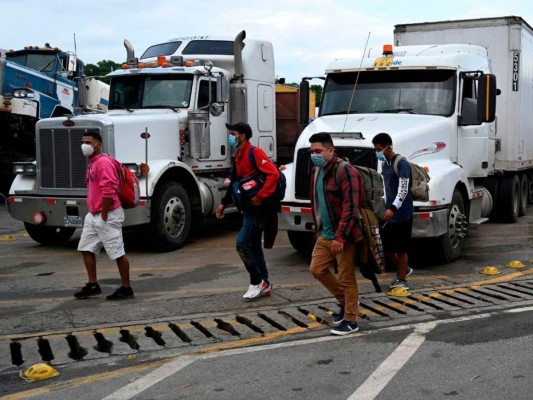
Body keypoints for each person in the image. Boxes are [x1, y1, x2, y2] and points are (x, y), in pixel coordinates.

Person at [308, 132, 365, 335]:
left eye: (319, 151)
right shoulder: (317, 171)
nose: (314, 155)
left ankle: (351, 320)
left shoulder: (345, 171)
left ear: (331, 151)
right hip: (325, 233)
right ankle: (346, 301)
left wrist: (340, 237)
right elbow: (317, 203)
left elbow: (351, 207)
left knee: (346, 277)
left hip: (345, 234)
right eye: (312, 151)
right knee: (317, 269)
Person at [216, 122, 280, 299]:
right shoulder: (238, 155)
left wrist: (260, 196)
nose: (231, 136)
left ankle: (256, 281)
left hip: (259, 207)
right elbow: (235, 180)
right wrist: (224, 203)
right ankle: (264, 283)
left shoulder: (255, 152)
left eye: (233, 133)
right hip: (248, 206)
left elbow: (273, 174)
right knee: (252, 244)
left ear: (242, 136)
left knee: (242, 243)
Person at [74, 132, 134, 300]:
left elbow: (109, 190)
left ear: (98, 145)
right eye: (82, 141)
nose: (84, 145)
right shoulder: (93, 162)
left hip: (107, 214)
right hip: (93, 214)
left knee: (117, 252)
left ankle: (126, 288)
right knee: (86, 248)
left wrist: (104, 214)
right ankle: (93, 285)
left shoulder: (103, 162)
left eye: (88, 142)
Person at [372, 133, 414, 291]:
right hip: (390, 213)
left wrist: (393, 208)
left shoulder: (401, 163)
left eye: (378, 149)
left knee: (401, 249)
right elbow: (387, 188)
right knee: (384, 246)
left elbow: (403, 190)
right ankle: (404, 268)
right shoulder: (385, 164)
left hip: (402, 214)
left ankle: (402, 280)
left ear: (388, 147)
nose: (377, 152)